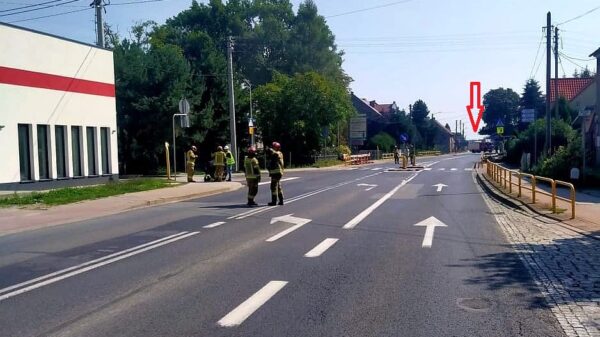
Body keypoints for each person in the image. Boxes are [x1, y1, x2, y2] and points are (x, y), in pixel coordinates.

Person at [266, 141, 284, 206]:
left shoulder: (278, 153)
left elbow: (276, 155)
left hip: (276, 172)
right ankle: (281, 200)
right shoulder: (276, 153)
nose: (272, 148)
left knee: (273, 187)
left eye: (273, 147)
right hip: (277, 172)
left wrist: (270, 150)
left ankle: (274, 201)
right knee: (278, 186)